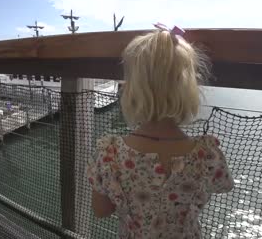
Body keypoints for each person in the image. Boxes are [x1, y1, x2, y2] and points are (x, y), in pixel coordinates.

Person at [86, 24, 234, 238]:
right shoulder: (206, 153)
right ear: (189, 89)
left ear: (132, 90)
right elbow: (223, 185)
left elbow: (101, 210)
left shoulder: (111, 153)